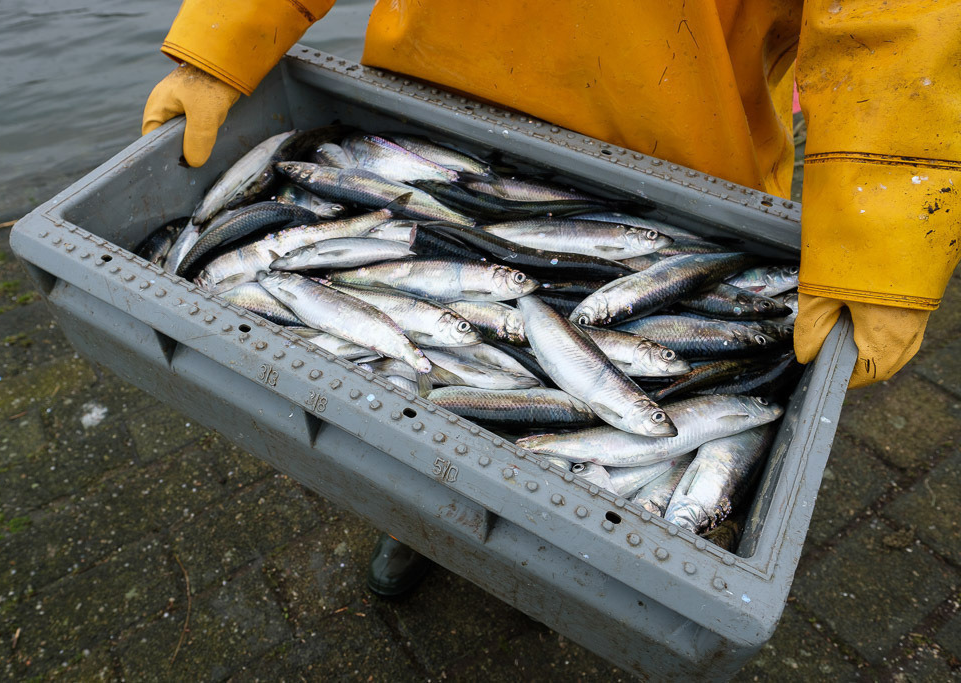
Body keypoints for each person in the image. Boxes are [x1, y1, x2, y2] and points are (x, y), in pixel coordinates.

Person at [143, 1, 961, 596]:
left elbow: (896, 21)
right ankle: (419, 521)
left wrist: (888, 237)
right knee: (408, 430)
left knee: (539, 468)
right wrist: (223, 41)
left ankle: (546, 566)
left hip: (677, 161)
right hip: (435, 109)